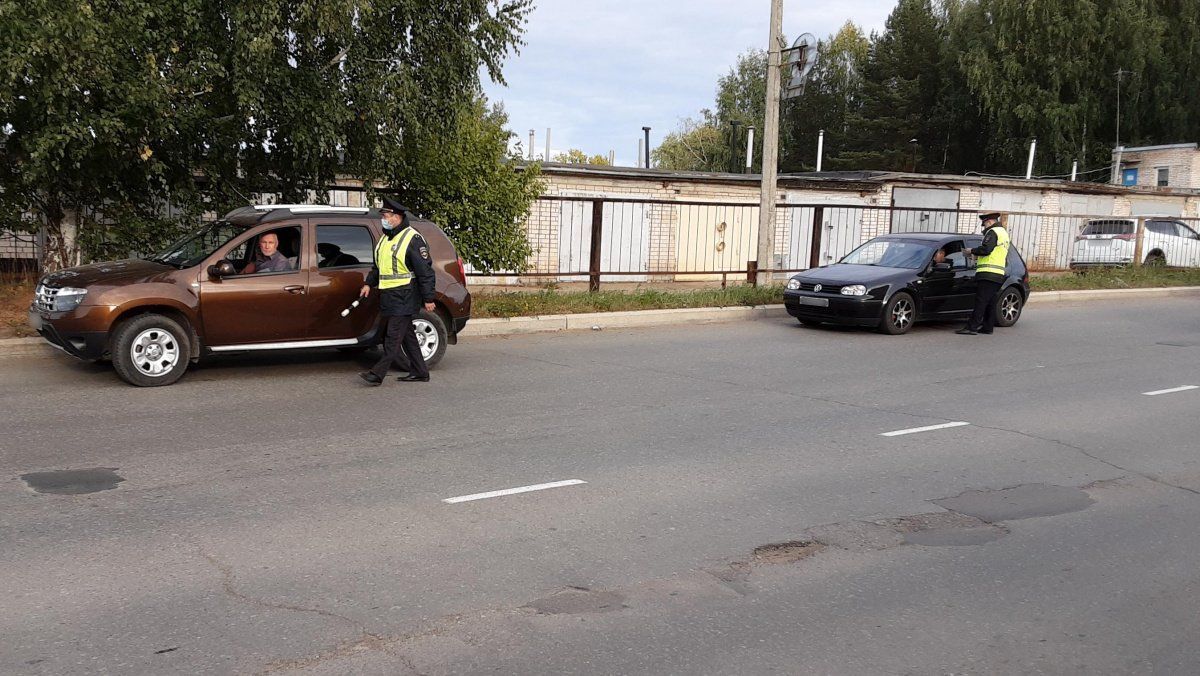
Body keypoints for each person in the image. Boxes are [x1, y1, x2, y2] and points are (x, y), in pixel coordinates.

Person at [358, 198, 437, 385]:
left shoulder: (412, 238)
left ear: (397, 217)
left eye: (386, 216)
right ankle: (420, 371)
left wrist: (428, 297)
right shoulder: (384, 239)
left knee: (392, 336)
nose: (383, 219)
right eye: (383, 216)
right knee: (407, 335)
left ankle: (377, 374)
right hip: (389, 295)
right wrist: (369, 283)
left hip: (406, 295)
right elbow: (379, 268)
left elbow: (425, 270)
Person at [957, 212, 1010, 335]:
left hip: (988, 273)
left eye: (985, 224)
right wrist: (977, 257)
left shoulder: (993, 232)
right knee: (990, 302)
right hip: (998, 273)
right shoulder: (1004, 233)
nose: (984, 227)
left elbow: (986, 249)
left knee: (981, 301)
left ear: (989, 222)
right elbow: (995, 253)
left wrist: (972, 251)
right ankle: (987, 327)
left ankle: (972, 327)